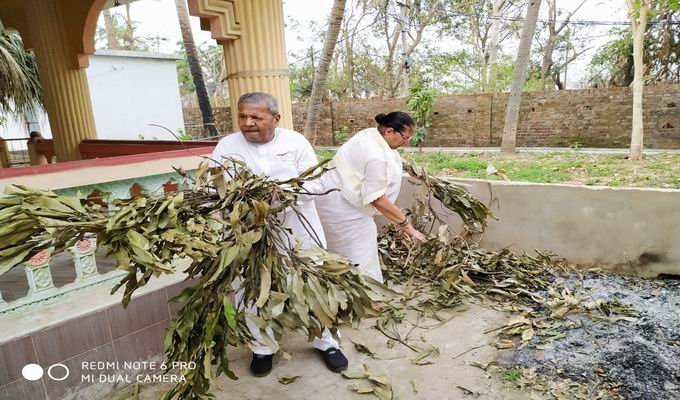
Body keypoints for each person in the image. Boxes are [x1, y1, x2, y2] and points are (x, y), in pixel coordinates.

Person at [211, 92, 348, 377]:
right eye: (242, 116)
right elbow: (216, 188)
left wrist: (282, 193)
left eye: (256, 117)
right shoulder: (226, 145)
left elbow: (315, 184)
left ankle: (326, 341)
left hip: (297, 230)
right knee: (250, 288)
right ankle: (262, 347)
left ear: (275, 118)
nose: (247, 123)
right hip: (249, 234)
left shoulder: (295, 142)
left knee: (310, 284)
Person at [315, 112, 427, 283]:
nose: (407, 142)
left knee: (337, 251)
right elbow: (376, 198)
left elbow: (383, 159)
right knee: (361, 253)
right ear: (389, 131)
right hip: (346, 210)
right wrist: (406, 225)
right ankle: (367, 297)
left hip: (327, 197)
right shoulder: (377, 157)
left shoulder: (369, 134)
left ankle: (340, 288)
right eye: (405, 137)